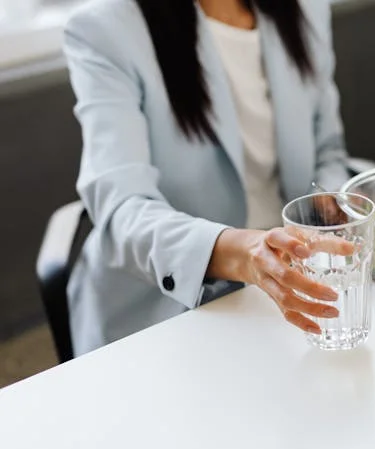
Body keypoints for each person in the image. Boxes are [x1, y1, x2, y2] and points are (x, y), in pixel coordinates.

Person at [64, 0, 355, 356]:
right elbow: (121, 207)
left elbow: (328, 150)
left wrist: (327, 202)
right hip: (169, 303)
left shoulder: (306, 9)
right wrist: (243, 252)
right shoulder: (106, 30)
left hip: (294, 278)